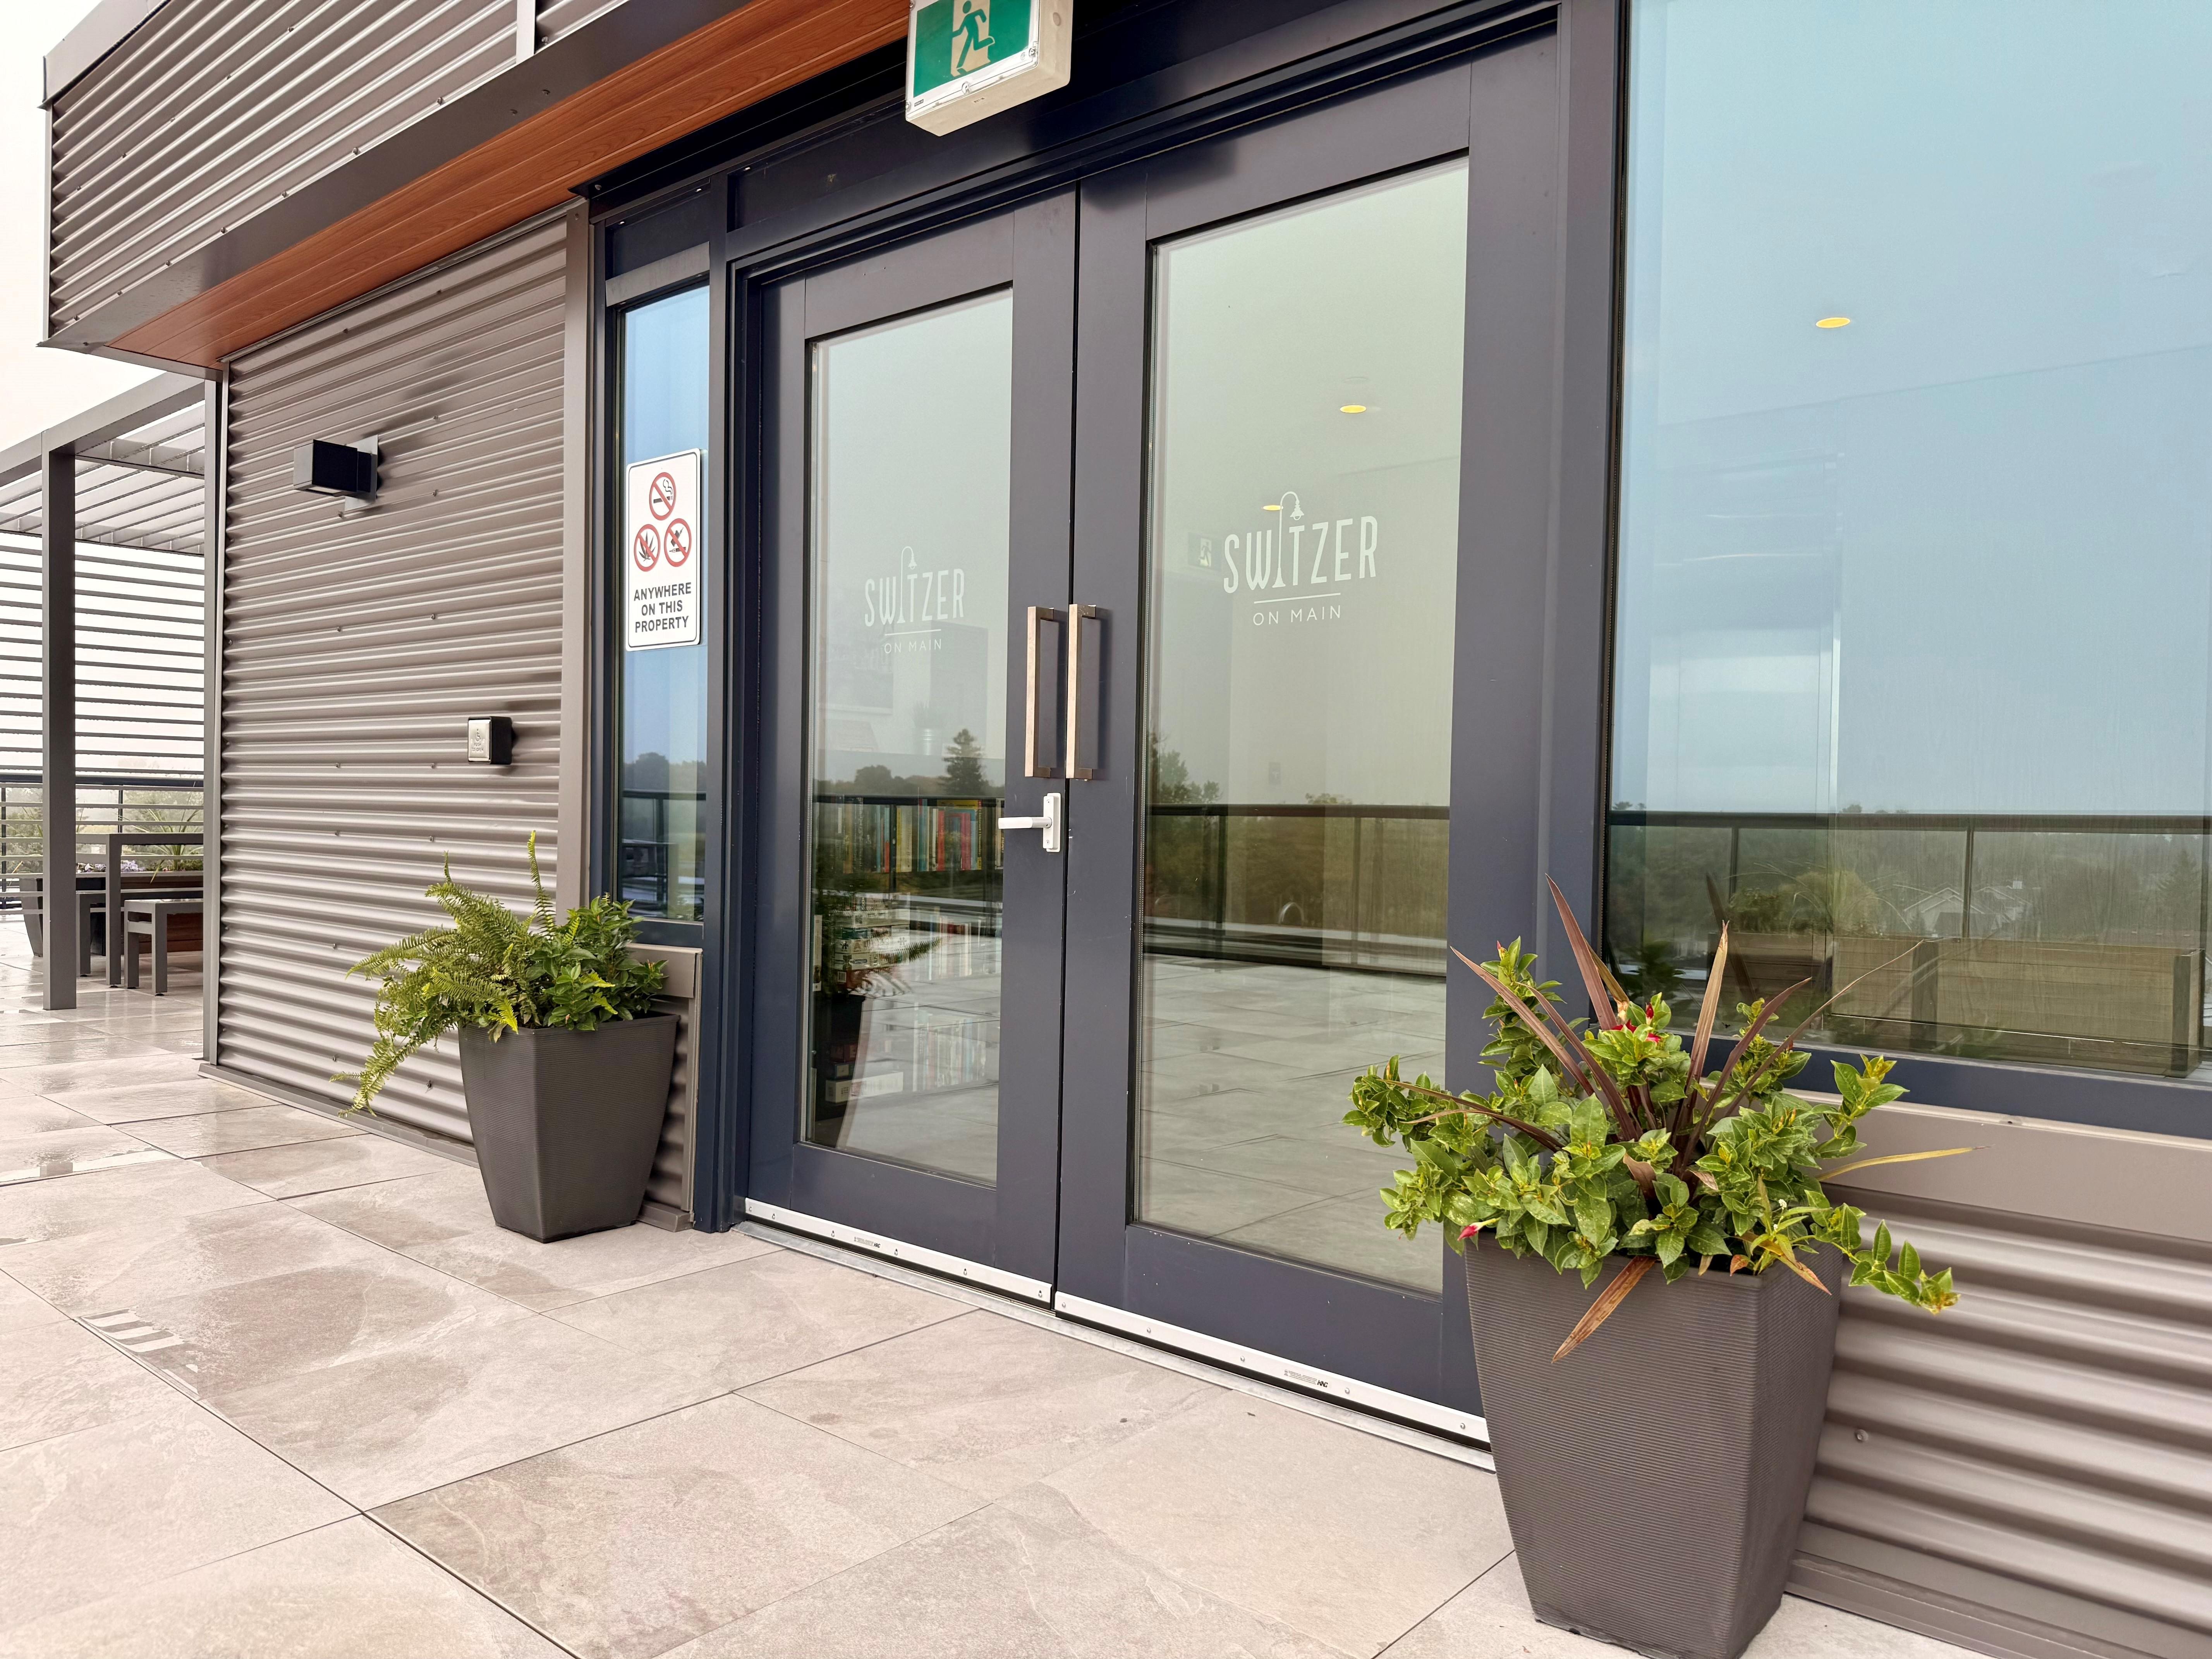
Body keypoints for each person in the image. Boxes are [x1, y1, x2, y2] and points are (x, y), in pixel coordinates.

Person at [953, 0, 992, 74]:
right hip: (971, 33)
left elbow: (980, 12)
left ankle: (959, 66)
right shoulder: (967, 18)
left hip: (974, 32)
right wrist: (953, 35)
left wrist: (984, 19)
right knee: (975, 46)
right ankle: (989, 41)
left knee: (971, 47)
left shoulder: (969, 16)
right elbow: (960, 31)